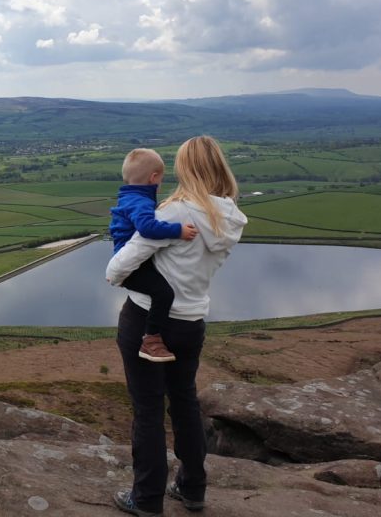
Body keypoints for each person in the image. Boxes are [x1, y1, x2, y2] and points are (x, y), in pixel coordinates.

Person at [105, 136, 247, 516]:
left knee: (148, 409)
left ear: (186, 170)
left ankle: (147, 499)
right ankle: (193, 487)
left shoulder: (173, 213)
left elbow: (116, 268)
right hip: (191, 323)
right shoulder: (230, 218)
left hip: (147, 320)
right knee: (184, 401)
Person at [109, 148, 198, 362]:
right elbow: (147, 228)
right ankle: (151, 340)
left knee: (161, 288)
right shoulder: (140, 202)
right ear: (154, 178)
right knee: (164, 293)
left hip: (134, 264)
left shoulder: (131, 197)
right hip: (132, 267)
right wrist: (178, 231)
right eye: (161, 180)